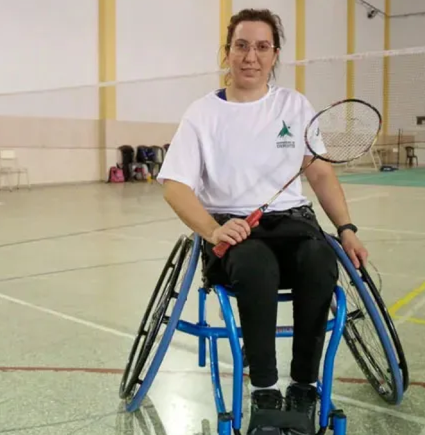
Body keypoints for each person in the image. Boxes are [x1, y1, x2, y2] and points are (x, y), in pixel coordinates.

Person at [156, 8, 368, 433]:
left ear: (274, 55)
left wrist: (346, 229)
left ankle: (305, 385)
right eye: (241, 45)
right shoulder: (202, 113)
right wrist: (213, 229)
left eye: (262, 47)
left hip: (292, 224)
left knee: (319, 260)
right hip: (233, 232)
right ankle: (265, 390)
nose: (250, 56)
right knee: (257, 266)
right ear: (226, 53)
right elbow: (175, 185)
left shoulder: (294, 105)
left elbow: (320, 171)